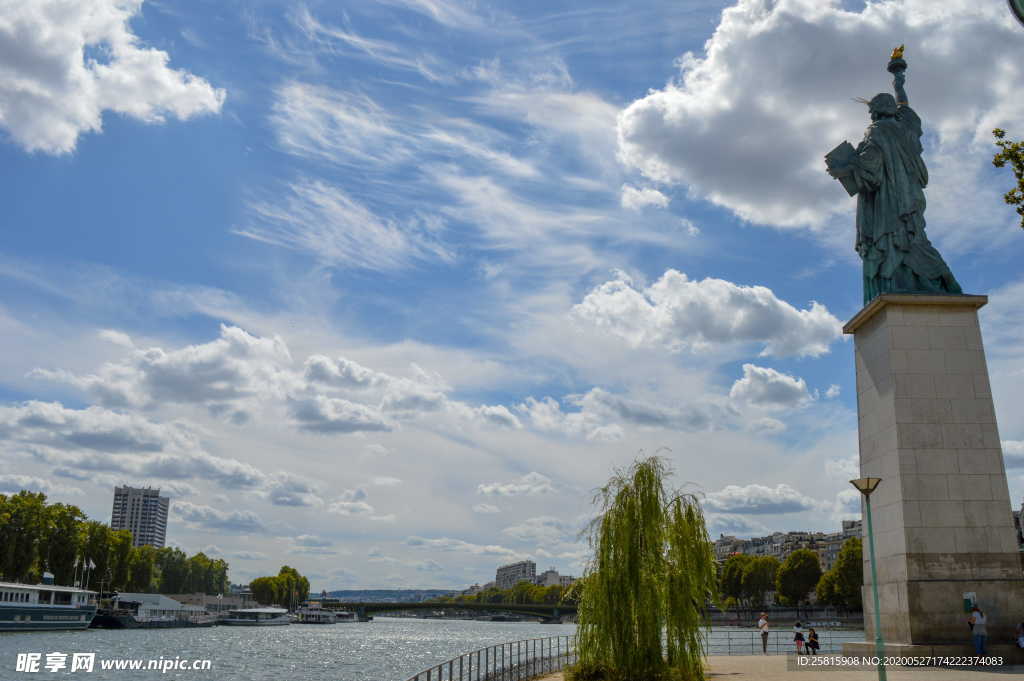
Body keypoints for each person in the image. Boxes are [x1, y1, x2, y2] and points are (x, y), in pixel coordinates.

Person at [826, 47, 961, 305]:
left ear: (874, 112)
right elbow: (905, 105)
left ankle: (901, 285)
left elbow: (870, 173)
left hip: (888, 203)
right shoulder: (907, 126)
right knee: (914, 239)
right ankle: (944, 282)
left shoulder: (875, 132)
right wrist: (899, 79)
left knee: (892, 243)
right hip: (910, 198)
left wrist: (845, 165)